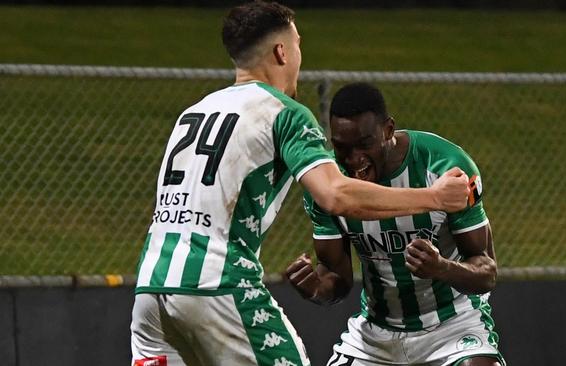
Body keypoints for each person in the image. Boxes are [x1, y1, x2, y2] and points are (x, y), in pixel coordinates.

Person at [130, 2, 471, 366]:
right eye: (297, 45)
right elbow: (336, 194)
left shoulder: (194, 112)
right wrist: (434, 196)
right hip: (217, 283)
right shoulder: (284, 113)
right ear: (281, 52)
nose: (298, 57)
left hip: (151, 287)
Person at [286, 82, 506, 366]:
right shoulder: (328, 186)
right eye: (342, 148)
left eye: (364, 145)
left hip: (452, 327)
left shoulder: (447, 167)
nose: (354, 160)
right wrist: (317, 288)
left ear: (388, 130)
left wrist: (442, 268)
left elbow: (486, 272)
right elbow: (336, 280)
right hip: (375, 337)